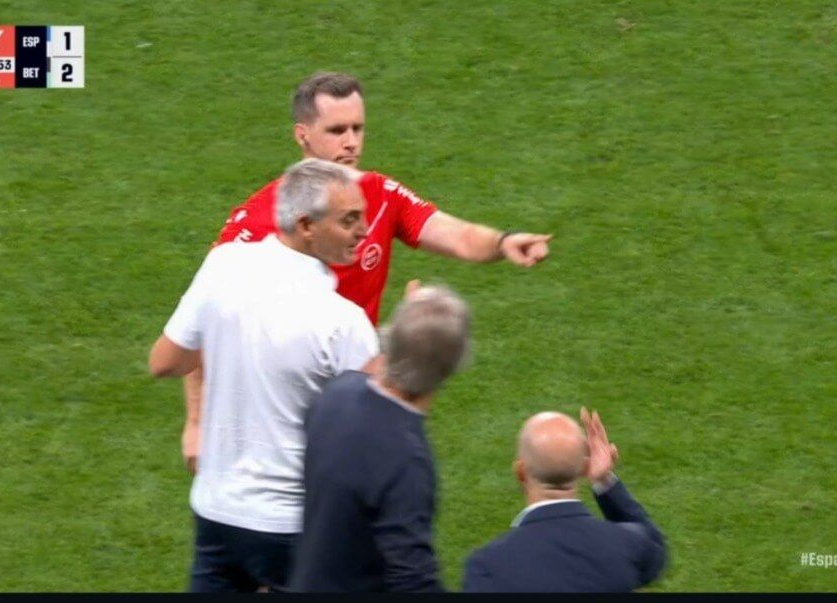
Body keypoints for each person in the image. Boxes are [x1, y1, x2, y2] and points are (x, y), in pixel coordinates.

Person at [180, 72, 552, 474]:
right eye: (337, 130)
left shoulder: (381, 194)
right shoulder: (256, 220)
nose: (351, 142)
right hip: (278, 402)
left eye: (358, 128)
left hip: (356, 397)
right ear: (302, 135)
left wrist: (503, 242)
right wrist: (197, 423)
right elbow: (201, 319)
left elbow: (457, 235)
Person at [148, 158, 384, 592]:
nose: (365, 230)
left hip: (217, 515)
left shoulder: (224, 266)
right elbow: (376, 432)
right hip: (295, 527)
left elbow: (164, 362)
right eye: (350, 219)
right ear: (306, 225)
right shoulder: (343, 322)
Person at [288, 285, 472, 592]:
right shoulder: (406, 460)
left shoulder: (335, 396)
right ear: (451, 367)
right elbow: (413, 580)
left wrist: (410, 328)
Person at [461, 409, 667, 593]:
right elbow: (655, 548)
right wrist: (603, 480)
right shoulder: (626, 545)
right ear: (584, 468)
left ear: (521, 472)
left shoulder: (488, 567)